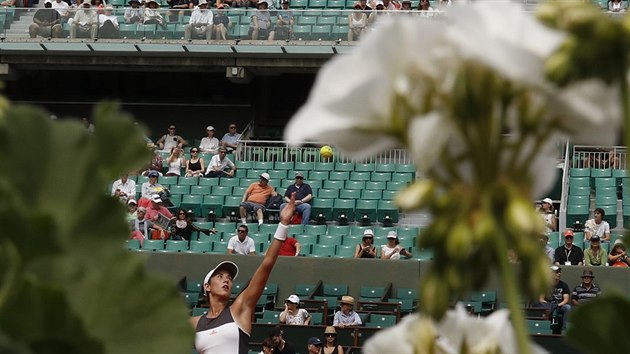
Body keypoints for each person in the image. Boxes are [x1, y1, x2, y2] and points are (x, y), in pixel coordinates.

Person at [191, 194, 296, 354]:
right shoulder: (194, 323)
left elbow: (266, 265)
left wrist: (283, 223)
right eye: (220, 277)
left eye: (229, 278)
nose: (226, 280)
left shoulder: (239, 309)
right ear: (207, 286)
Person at [535, 265, 571, 332]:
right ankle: (543, 329)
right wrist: (549, 305)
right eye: (556, 272)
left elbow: (566, 299)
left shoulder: (564, 285)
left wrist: (557, 305)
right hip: (547, 306)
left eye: (559, 272)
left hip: (559, 305)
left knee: (567, 307)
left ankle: (564, 329)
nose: (559, 274)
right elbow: (541, 299)